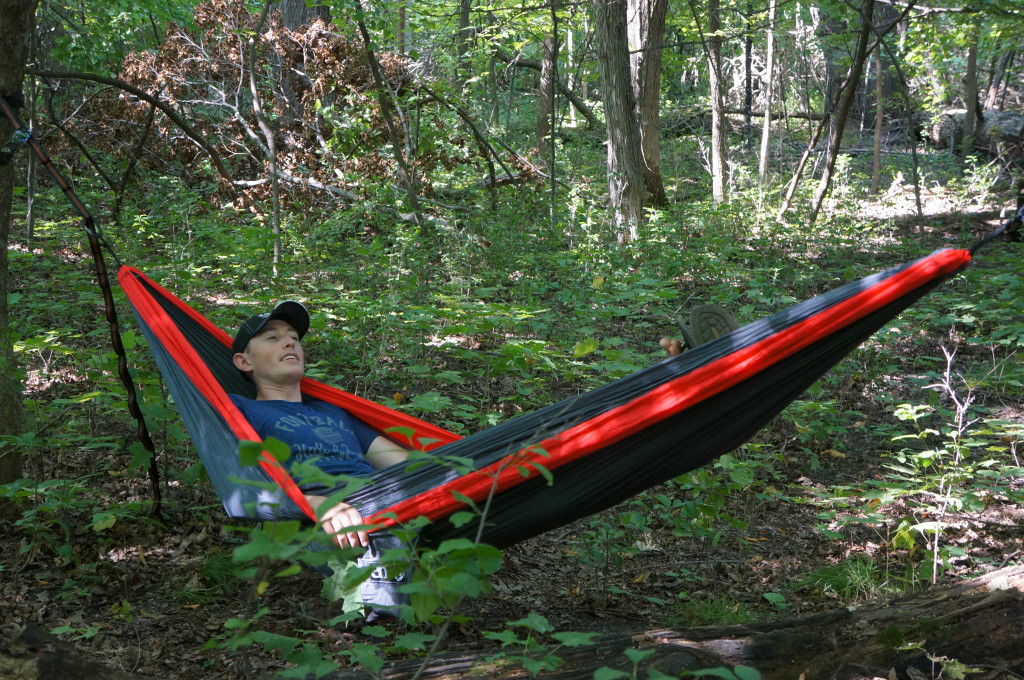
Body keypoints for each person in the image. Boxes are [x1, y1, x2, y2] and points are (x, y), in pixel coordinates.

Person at [229, 300, 408, 550]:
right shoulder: (238, 409)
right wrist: (313, 503)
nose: (291, 342)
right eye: (272, 338)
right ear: (244, 362)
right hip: (321, 507)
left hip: (383, 495)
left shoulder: (333, 411)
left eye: (294, 338)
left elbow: (408, 466)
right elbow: (241, 482)